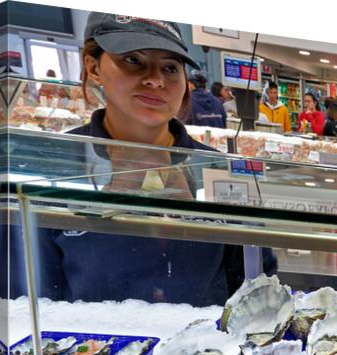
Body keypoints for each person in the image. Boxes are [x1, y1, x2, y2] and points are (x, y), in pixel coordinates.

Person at [43, 12, 275, 306]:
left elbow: (256, 281)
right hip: (94, 347)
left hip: (206, 347)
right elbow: (29, 298)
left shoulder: (218, 170)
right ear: (94, 67)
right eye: (133, 60)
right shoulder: (52, 164)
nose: (154, 80)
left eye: (169, 68)